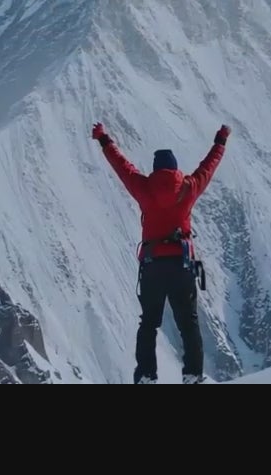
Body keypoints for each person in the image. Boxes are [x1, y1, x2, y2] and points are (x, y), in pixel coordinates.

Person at [92, 122, 231, 385]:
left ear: (156, 170)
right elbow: (209, 166)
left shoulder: (143, 188)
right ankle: (192, 376)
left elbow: (121, 166)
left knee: (149, 323)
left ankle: (146, 376)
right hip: (181, 265)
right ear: (175, 169)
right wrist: (220, 140)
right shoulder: (189, 188)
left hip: (153, 265)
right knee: (188, 324)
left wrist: (104, 140)